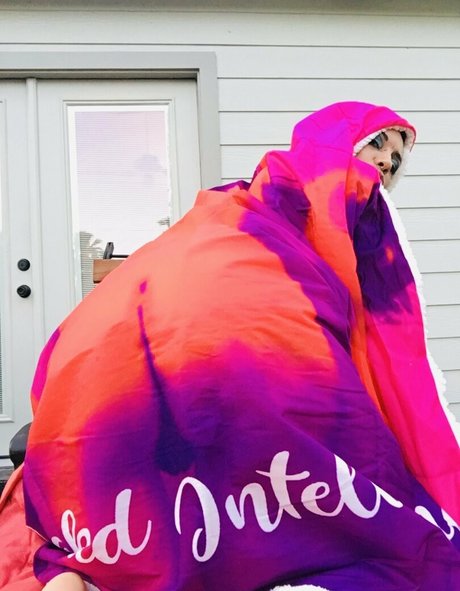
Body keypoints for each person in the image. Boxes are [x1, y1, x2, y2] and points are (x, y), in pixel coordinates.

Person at [1, 101, 459, 591]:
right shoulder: (302, 204)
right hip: (191, 342)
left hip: (128, 362)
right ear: (335, 143)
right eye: (378, 144)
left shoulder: (260, 200)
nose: (387, 161)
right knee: (311, 434)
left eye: (397, 158)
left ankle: (87, 559)